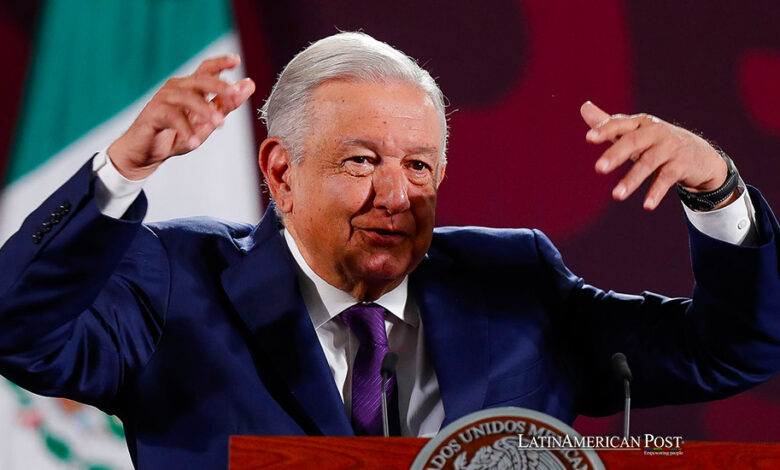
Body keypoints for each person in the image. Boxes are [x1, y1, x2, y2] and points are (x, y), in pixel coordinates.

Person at [1, 32, 778, 468]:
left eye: (419, 166)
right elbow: (17, 330)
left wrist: (717, 192)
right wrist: (119, 174)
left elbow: (734, 352)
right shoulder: (176, 280)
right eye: (363, 161)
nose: (397, 195)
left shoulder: (516, 282)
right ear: (281, 171)